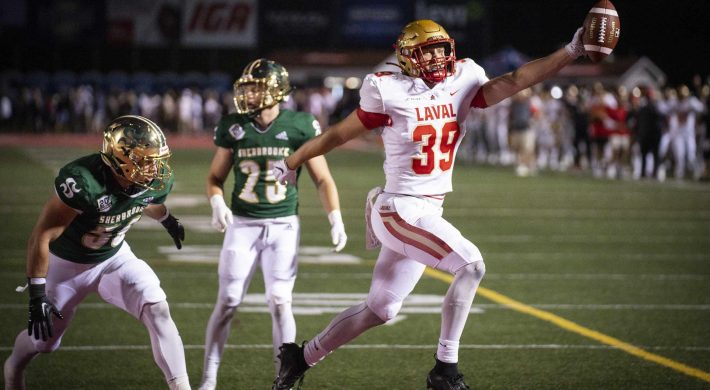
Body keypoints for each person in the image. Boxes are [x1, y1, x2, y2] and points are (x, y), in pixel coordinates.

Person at [270, 19, 588, 390]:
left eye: (441, 48)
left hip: (426, 210)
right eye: (427, 50)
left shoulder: (463, 79)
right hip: (399, 208)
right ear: (407, 57)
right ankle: (445, 370)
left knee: (381, 309)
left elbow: (518, 79)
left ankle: (300, 357)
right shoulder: (388, 91)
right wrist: (292, 163)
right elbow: (337, 134)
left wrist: (571, 50)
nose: (438, 57)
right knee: (470, 265)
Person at [3, 115, 190, 390]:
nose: (154, 168)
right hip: (67, 266)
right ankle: (13, 367)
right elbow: (42, 235)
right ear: (119, 157)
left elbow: (143, 199)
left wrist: (166, 218)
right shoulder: (84, 181)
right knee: (44, 342)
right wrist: (37, 293)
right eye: (145, 160)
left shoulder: (155, 180)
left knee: (157, 307)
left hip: (113, 257)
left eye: (156, 159)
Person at [199, 59, 347, 390]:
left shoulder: (300, 125)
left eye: (255, 87)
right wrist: (216, 201)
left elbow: (322, 179)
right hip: (243, 224)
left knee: (281, 302)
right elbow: (214, 177)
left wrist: (335, 218)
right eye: (247, 88)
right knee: (227, 302)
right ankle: (208, 380)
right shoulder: (234, 126)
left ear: (276, 90)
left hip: (283, 226)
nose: (248, 94)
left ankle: (283, 379)